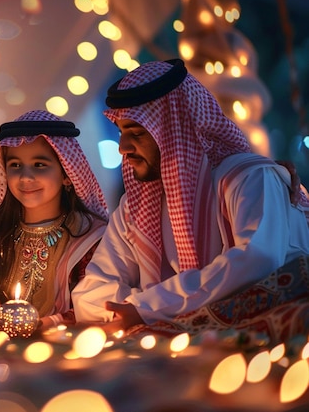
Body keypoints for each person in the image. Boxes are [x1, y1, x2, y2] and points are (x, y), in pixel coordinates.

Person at [71, 59, 309, 338]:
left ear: (174, 129)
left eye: (136, 134)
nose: (123, 148)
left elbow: (258, 261)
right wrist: (139, 311)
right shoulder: (134, 207)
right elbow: (90, 294)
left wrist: (147, 307)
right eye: (122, 133)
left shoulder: (249, 178)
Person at [0, 110, 109, 331]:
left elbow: (97, 306)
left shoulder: (90, 236)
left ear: (67, 174)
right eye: (15, 165)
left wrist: (46, 324)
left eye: (39, 165)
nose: (25, 177)